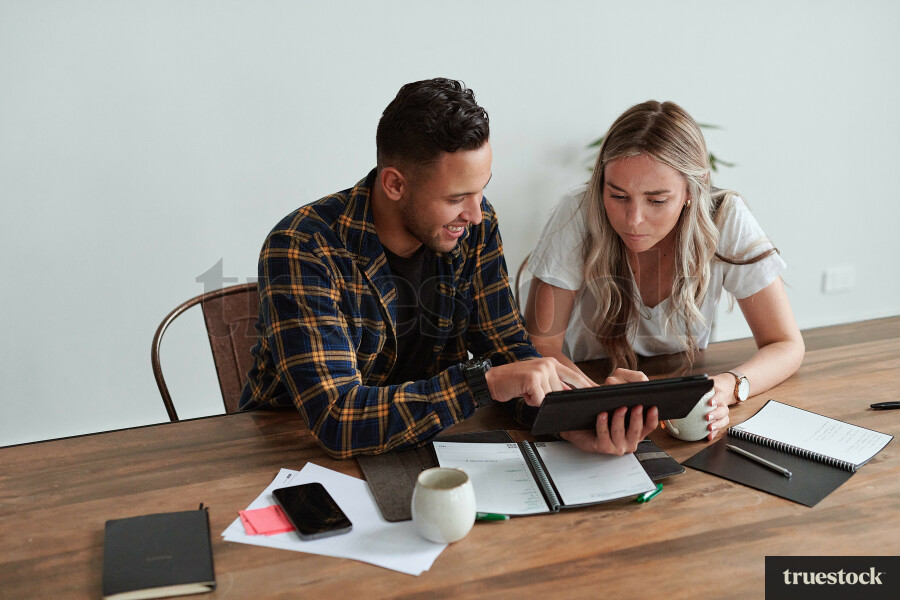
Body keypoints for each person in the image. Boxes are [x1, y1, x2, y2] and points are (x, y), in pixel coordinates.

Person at [239, 78, 652, 459]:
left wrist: (575, 419)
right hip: (294, 454)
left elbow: (508, 347)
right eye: (457, 197)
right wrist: (482, 382)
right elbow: (338, 420)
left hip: (429, 443)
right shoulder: (303, 247)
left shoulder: (475, 225)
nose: (475, 213)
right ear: (395, 185)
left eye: (481, 190)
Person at [525, 100, 805, 442]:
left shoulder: (724, 217)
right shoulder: (577, 212)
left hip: (685, 401)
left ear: (693, 188)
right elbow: (540, 345)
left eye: (657, 201)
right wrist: (596, 399)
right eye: (618, 196)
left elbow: (786, 344)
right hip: (591, 386)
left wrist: (726, 387)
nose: (634, 220)